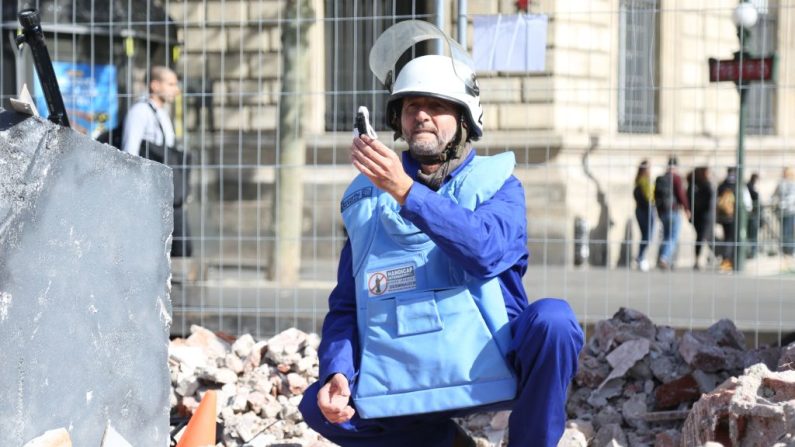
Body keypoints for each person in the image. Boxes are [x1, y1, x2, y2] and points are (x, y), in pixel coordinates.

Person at [298, 21, 583, 447]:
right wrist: (338, 371)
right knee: (318, 407)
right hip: (407, 369)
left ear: (464, 117)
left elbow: (484, 250)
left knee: (554, 322)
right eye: (412, 106)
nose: (422, 116)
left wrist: (406, 192)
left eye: (437, 105)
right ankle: (442, 442)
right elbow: (346, 306)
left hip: (490, 359)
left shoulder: (498, 183)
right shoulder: (366, 198)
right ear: (398, 118)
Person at [122, 66, 192, 258]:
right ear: (155, 85)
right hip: (150, 194)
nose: (175, 89)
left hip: (167, 195)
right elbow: (130, 152)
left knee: (181, 248)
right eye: (170, 84)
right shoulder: (140, 112)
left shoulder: (161, 112)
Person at [654, 156, 690, 270]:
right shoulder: (676, 178)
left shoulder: (660, 178)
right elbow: (681, 195)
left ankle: (663, 259)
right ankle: (664, 258)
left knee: (665, 237)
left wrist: (659, 212)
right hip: (674, 211)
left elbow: (655, 196)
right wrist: (687, 209)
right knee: (673, 237)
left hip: (663, 212)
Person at [716, 167, 752, 270]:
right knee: (733, 238)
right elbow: (748, 203)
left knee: (727, 237)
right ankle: (730, 261)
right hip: (735, 217)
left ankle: (727, 261)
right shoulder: (740, 185)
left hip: (724, 217)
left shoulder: (722, 185)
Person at [687, 167, 714, 270]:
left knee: (703, 237)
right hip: (704, 216)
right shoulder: (705, 185)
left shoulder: (692, 185)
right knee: (703, 237)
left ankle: (707, 257)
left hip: (697, 216)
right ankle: (700, 258)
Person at [633, 160, 654, 271]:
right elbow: (650, 197)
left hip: (639, 210)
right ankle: (640, 256)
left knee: (645, 235)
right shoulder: (645, 181)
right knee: (648, 236)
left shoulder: (637, 181)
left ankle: (640, 256)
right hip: (647, 210)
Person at [772, 167, 795, 256]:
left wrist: (784, 203)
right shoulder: (781, 183)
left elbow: (792, 197)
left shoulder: (792, 183)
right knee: (784, 231)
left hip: (790, 211)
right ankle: (785, 249)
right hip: (781, 211)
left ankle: (790, 249)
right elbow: (775, 194)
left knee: (789, 231)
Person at [747, 173, 761, 259]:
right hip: (752, 215)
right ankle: (752, 251)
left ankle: (753, 251)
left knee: (753, 234)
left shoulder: (751, 186)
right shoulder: (750, 187)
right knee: (752, 234)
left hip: (753, 214)